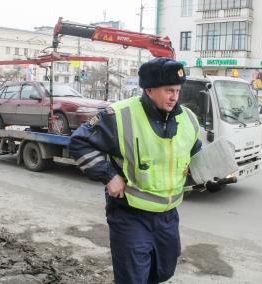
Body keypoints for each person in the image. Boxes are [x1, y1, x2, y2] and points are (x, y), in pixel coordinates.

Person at [69, 57, 203, 283]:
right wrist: (109, 175)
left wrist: (211, 174)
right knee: (133, 278)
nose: (175, 97)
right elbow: (79, 143)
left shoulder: (188, 119)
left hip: (168, 215)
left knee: (163, 271)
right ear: (149, 90)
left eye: (178, 90)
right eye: (169, 90)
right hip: (130, 214)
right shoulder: (119, 115)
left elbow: (194, 152)